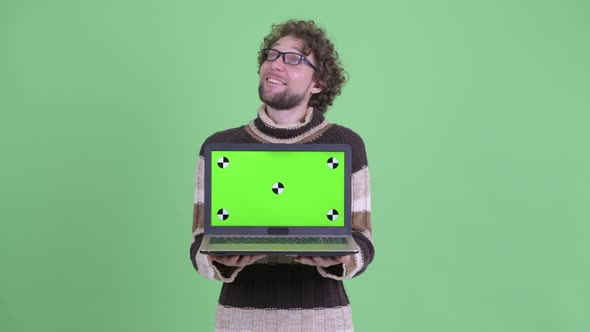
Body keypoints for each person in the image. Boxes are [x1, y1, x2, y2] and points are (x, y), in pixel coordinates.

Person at [190, 19, 375, 331]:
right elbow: (198, 243)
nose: (275, 65)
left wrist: (342, 257)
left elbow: (363, 242)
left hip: (323, 319)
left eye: (293, 59)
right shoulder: (219, 147)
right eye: (271, 55)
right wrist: (219, 260)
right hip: (240, 319)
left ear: (318, 83)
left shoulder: (346, 145)